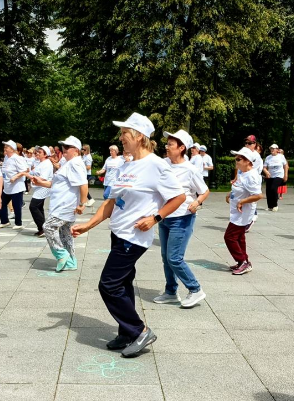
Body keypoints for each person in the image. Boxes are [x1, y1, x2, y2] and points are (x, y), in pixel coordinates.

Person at [72, 113, 184, 357]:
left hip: (134, 238)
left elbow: (179, 197)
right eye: (121, 133)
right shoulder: (126, 165)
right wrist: (87, 225)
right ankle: (126, 331)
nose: (121, 138)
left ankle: (140, 330)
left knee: (108, 285)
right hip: (118, 233)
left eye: (124, 133)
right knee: (122, 283)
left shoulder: (156, 165)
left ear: (139, 136)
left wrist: (156, 217)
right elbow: (111, 203)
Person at [154, 130, 209, 307]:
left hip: (182, 218)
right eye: (167, 144)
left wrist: (197, 202)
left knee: (174, 257)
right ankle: (171, 291)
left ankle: (195, 289)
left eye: (170, 144)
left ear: (181, 148)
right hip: (164, 217)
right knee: (165, 257)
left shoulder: (190, 169)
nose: (167, 147)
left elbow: (204, 190)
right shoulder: (163, 164)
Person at [33, 136, 88, 271]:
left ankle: (61, 254)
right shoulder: (68, 163)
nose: (64, 149)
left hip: (65, 205)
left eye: (67, 147)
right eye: (63, 146)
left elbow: (83, 184)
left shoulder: (75, 163)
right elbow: (55, 183)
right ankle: (70, 262)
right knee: (65, 234)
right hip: (61, 204)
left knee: (48, 227)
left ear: (76, 150)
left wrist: (82, 203)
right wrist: (41, 183)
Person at [224, 146, 263, 274]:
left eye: (239, 159)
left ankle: (243, 262)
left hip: (244, 212)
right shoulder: (242, 173)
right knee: (240, 237)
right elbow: (239, 187)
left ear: (248, 161)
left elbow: (258, 195)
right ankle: (243, 261)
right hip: (237, 211)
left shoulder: (252, 176)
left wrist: (242, 201)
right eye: (236, 158)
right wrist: (231, 194)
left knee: (229, 237)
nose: (236, 161)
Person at [0, 140, 30, 229]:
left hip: (16, 186)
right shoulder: (6, 158)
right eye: (5, 147)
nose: (5, 149)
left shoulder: (17, 158)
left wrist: (15, 177)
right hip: (7, 186)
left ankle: (18, 223)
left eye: (7, 147)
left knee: (16, 206)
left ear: (12, 149)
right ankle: (4, 221)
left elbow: (24, 170)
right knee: (1, 203)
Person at [28, 146, 54, 236]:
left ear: (45, 155)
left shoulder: (47, 164)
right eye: (36, 152)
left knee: (33, 207)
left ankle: (44, 228)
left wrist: (34, 178)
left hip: (43, 187)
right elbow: (32, 173)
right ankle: (41, 228)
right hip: (38, 187)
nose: (37, 153)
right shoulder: (40, 163)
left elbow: (43, 178)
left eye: (39, 152)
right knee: (39, 208)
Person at [263, 144, 288, 211]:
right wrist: (266, 172)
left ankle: (275, 205)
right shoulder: (268, 157)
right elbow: (264, 167)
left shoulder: (281, 157)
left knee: (273, 189)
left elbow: (285, 166)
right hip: (270, 175)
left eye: (273, 149)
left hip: (279, 175)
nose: (272, 150)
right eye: (271, 149)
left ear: (277, 149)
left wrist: (285, 175)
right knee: (268, 191)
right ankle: (270, 206)